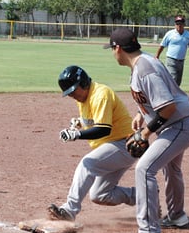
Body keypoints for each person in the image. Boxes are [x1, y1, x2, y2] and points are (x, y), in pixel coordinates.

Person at [104, 28, 189, 233]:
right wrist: (141, 112)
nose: (112, 54)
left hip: (179, 125)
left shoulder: (144, 67)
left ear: (118, 49)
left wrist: (146, 133)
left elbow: (168, 106)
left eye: (111, 49)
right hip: (178, 123)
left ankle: (149, 232)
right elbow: (156, 98)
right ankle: (177, 215)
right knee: (171, 169)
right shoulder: (143, 61)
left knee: (144, 169)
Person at [48, 65, 137, 221]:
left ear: (83, 83)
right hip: (112, 147)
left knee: (87, 164)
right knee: (100, 195)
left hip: (125, 144)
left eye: (73, 91)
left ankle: (69, 210)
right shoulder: (82, 98)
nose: (72, 96)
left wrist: (76, 134)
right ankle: (145, 196)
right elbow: (96, 120)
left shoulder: (101, 94)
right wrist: (80, 123)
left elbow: (103, 129)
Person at [154, 15, 189, 86]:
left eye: (181, 23)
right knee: (173, 79)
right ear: (175, 25)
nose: (179, 25)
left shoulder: (188, 35)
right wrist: (157, 56)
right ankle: (169, 95)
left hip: (181, 62)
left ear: (184, 25)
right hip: (171, 60)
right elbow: (162, 45)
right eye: (177, 24)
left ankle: (172, 95)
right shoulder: (170, 34)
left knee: (178, 82)